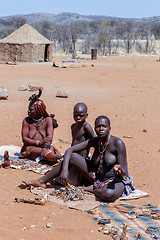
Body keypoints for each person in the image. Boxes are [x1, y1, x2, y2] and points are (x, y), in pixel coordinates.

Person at [23, 115, 135, 202]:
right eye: (98, 126)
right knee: (72, 156)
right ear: (95, 128)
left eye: (104, 127)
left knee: (108, 195)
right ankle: (42, 181)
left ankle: (89, 189)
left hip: (114, 180)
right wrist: (65, 170)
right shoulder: (95, 141)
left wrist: (119, 169)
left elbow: (125, 173)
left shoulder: (118, 143)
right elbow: (69, 151)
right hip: (96, 177)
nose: (101, 129)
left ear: (109, 129)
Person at [19, 89, 62, 163]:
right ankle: (51, 157)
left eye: (31, 110)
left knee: (49, 151)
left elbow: (49, 138)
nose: (28, 111)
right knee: (43, 152)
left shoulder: (48, 120)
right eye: (28, 109)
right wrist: (38, 143)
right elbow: (25, 139)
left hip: (45, 147)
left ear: (39, 111)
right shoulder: (26, 121)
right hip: (29, 148)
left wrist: (45, 147)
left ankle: (50, 156)